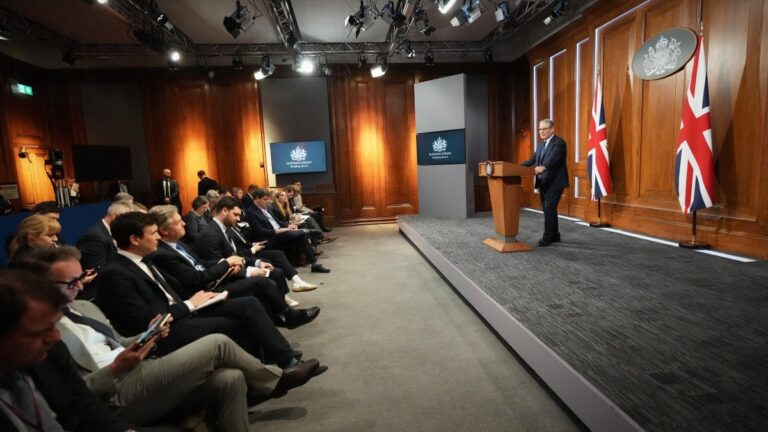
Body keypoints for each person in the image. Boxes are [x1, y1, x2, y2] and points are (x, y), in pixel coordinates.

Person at [12, 247, 325, 431]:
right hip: (115, 391)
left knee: (229, 379)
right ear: (39, 285)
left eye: (82, 278)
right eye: (72, 281)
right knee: (218, 341)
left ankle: (269, 379)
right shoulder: (38, 332)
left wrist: (146, 336)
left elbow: (118, 340)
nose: (81, 286)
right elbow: (77, 396)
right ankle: (277, 378)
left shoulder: (82, 306)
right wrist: (118, 369)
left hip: (138, 366)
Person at [96, 212, 307, 368]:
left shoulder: (143, 257)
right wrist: (190, 304)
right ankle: (262, 373)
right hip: (166, 330)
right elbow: (145, 321)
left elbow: (174, 288)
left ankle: (284, 358)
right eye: (152, 233)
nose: (157, 237)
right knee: (230, 322)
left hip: (186, 307)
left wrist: (199, 300)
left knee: (248, 304)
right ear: (134, 239)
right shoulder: (116, 273)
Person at [0, 269, 137, 431]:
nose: (56, 337)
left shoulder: (53, 352)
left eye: (54, 325)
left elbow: (86, 405)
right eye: (38, 333)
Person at [148, 205, 319, 328]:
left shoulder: (179, 244)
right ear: (164, 230)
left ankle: (281, 316)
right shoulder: (207, 236)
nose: (184, 223)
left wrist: (231, 264)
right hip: (205, 290)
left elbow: (204, 263)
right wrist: (230, 265)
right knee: (262, 283)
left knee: (270, 272)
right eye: (178, 222)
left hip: (218, 275)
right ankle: (288, 316)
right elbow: (198, 277)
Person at [195, 196, 319, 293]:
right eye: (236, 215)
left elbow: (236, 252)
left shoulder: (225, 227)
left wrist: (256, 262)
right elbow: (219, 267)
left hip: (240, 262)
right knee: (273, 271)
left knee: (275, 266)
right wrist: (250, 268)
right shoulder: (211, 233)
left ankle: (284, 300)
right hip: (227, 276)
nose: (239, 219)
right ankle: (283, 308)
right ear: (224, 211)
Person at [247, 188, 331, 274]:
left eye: (268, 199)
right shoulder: (251, 212)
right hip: (270, 237)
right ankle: (308, 234)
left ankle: (315, 264)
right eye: (265, 199)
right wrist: (277, 231)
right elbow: (260, 231)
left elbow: (276, 221)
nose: (268, 201)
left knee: (301, 235)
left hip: (280, 232)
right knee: (301, 234)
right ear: (257, 198)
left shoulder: (266, 207)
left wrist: (288, 226)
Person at [75, 201, 138, 299]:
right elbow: (96, 272)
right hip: (98, 293)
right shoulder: (94, 237)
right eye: (128, 220)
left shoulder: (111, 231)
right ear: (117, 216)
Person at [521, 119, 569, 246]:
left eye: (544, 129)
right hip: (544, 182)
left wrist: (544, 166)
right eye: (540, 129)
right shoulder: (541, 145)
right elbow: (533, 159)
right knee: (549, 210)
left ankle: (547, 237)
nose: (541, 132)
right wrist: (517, 167)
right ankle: (555, 235)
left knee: (549, 209)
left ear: (552, 129)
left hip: (555, 182)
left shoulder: (559, 143)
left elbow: (554, 159)